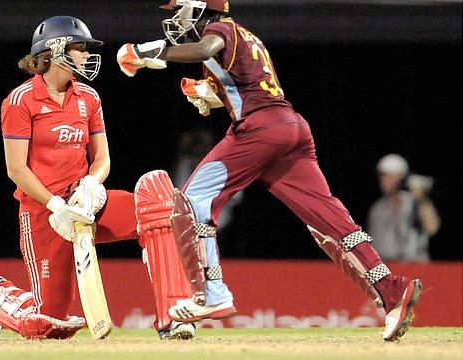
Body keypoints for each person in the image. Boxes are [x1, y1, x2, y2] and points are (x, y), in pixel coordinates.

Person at [117, 0, 422, 341]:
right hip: (290, 129)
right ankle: (392, 289)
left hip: (260, 129)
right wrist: (206, 92)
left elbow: (206, 48)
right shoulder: (246, 37)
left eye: (179, 11)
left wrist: (148, 52)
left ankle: (211, 294)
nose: (174, 20)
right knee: (328, 220)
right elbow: (242, 85)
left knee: (192, 199)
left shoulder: (221, 29)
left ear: (200, 9)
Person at [0, 15, 196, 340]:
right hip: (44, 215)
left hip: (85, 205)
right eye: (80, 48)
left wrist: (92, 183)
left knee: (159, 213)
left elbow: (103, 157)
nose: (86, 56)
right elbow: (16, 170)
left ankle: (173, 317)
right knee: (50, 325)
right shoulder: (20, 101)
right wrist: (55, 205)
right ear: (55, 49)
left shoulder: (89, 98)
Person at [368, 154, 440, 262]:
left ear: (402, 176)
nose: (384, 180)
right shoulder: (377, 208)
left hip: (414, 265)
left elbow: (432, 227)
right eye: (382, 176)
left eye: (389, 176)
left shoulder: (415, 202)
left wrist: (421, 198)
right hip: (387, 267)